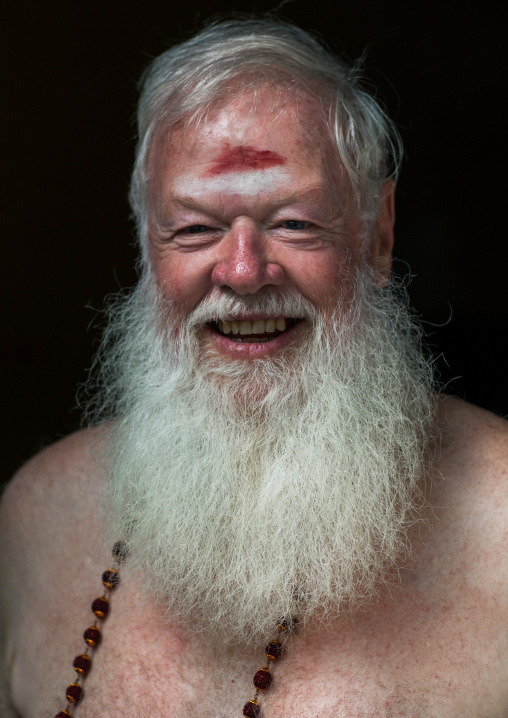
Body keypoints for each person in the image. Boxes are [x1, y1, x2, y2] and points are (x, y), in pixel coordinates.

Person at [1, 17, 508, 718]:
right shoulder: (35, 516)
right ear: (147, 245)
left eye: (295, 223)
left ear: (379, 232)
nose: (243, 273)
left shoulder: (500, 528)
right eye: (196, 229)